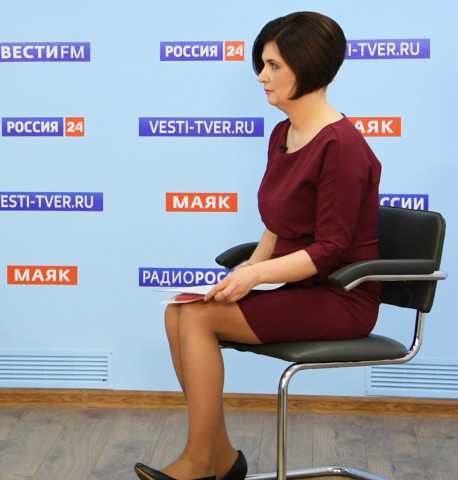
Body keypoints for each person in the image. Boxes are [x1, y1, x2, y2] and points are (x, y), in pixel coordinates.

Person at [134, 12, 382, 480]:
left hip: (341, 295)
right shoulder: (282, 135)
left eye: (273, 66)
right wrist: (248, 268)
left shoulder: (343, 147)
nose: (262, 76)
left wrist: (255, 276)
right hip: (298, 286)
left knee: (200, 318)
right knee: (179, 312)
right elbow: (276, 225)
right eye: (262, 65)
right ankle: (221, 457)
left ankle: (200, 462)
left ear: (307, 66)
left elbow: (330, 249)